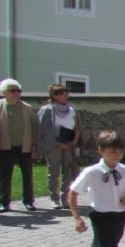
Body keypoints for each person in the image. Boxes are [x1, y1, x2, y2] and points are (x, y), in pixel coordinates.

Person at [37, 84, 81, 210]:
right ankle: (54, 198)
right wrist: (55, 144)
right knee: (53, 172)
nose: (64, 96)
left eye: (66, 93)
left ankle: (65, 198)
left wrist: (73, 142)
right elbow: (42, 130)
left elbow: (77, 127)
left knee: (67, 171)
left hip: (69, 145)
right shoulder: (47, 110)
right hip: (54, 146)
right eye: (61, 93)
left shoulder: (72, 109)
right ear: (54, 95)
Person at [0, 78, 38, 212]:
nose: (16, 93)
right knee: (5, 175)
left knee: (27, 174)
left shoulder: (27, 108)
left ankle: (28, 201)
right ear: (4, 92)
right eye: (13, 91)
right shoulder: (0, 106)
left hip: (24, 146)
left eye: (18, 91)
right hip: (5, 146)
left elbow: (34, 127)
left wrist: (33, 144)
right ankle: (4, 202)